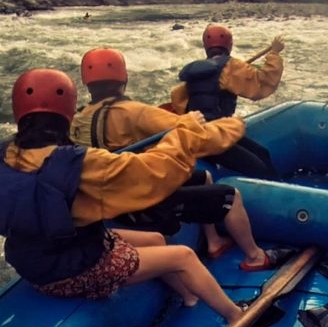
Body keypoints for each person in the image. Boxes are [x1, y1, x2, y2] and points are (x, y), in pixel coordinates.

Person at [0, 68, 247, 321]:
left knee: (156, 239)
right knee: (183, 256)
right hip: (70, 271)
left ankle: (190, 296)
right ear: (68, 112)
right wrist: (191, 133)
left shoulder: (6, 154)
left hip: (38, 260)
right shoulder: (82, 162)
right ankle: (236, 316)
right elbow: (156, 172)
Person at [70, 48, 274, 270]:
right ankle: (255, 256)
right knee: (230, 196)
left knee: (203, 176)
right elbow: (191, 133)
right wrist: (232, 125)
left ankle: (214, 242)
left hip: (105, 198)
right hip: (139, 201)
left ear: (86, 83)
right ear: (123, 79)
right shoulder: (133, 112)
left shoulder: (78, 119)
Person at [169, 24, 284, 178]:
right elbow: (263, 84)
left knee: (262, 153)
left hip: (199, 133)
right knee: (260, 169)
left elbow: (177, 98)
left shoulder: (198, 72)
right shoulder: (230, 67)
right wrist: (274, 53)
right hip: (213, 138)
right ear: (229, 45)